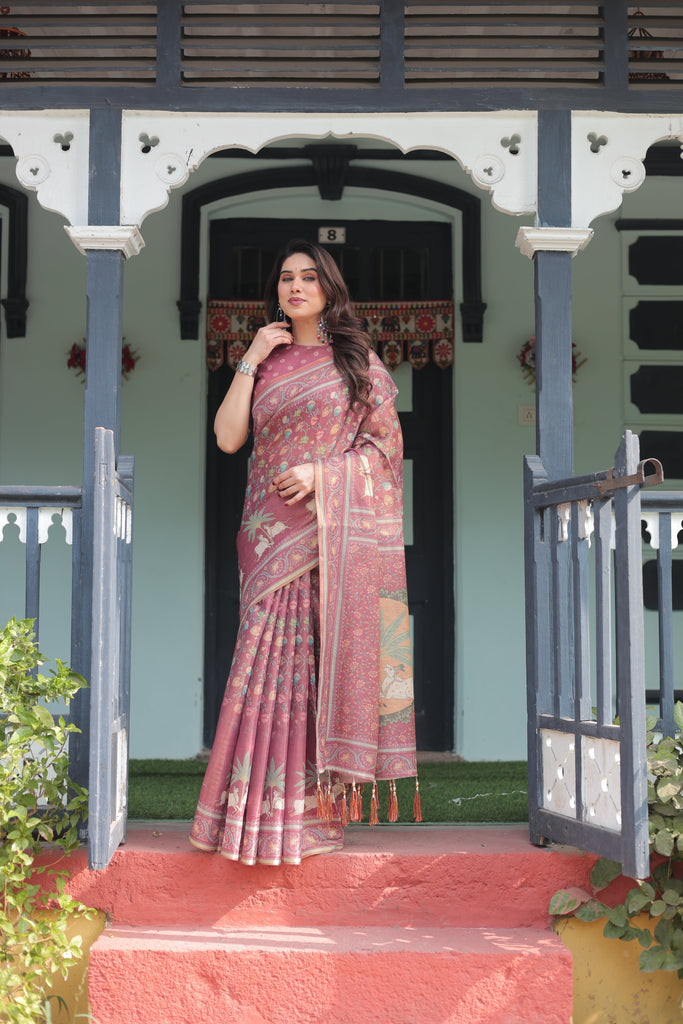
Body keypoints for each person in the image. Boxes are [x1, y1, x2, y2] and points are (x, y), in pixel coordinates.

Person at [190, 239, 417, 866]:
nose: (296, 287)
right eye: (286, 278)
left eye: (309, 278)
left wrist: (324, 475)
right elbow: (229, 438)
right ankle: (247, 817)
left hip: (327, 536)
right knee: (266, 670)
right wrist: (252, 356)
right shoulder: (265, 360)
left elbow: (384, 454)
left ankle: (310, 820)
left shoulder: (357, 363)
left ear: (329, 288)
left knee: (317, 670)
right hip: (266, 536)